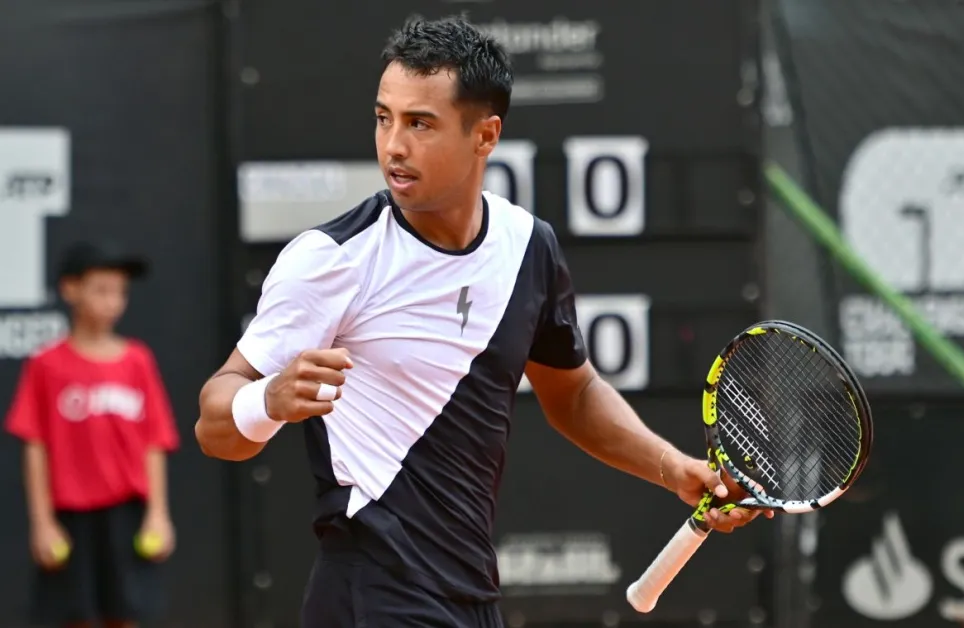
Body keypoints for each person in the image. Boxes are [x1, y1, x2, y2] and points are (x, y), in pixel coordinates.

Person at [195, 14, 771, 628]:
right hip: (374, 595)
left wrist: (672, 467)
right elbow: (215, 423)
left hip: (470, 597)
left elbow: (573, 394)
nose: (393, 145)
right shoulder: (332, 258)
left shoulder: (528, 247)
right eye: (384, 117)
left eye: (420, 123)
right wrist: (269, 400)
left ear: (485, 135)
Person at [5, 240, 180, 628]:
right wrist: (42, 521)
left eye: (120, 291)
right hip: (70, 518)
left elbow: (155, 443)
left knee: (126, 615)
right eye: (101, 289)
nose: (113, 301)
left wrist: (158, 514)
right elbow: (35, 445)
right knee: (75, 618)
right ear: (70, 290)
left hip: (127, 515)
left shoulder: (138, 361)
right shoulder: (45, 364)